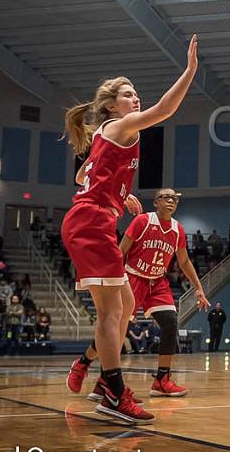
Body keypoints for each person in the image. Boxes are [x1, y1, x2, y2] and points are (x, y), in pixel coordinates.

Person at [61, 37, 198, 425]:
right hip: (90, 223)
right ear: (110, 105)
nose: (135, 99)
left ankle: (102, 376)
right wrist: (189, 71)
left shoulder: (108, 132)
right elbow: (166, 108)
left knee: (121, 309)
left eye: (136, 94)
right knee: (113, 312)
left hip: (95, 218)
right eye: (127, 94)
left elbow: (82, 174)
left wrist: (121, 196)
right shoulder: (121, 126)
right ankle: (113, 390)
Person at [117, 188, 208, 397]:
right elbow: (121, 250)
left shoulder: (178, 230)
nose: (171, 201)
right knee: (117, 327)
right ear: (156, 202)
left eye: (174, 198)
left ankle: (162, 380)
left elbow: (184, 261)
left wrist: (198, 289)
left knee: (170, 322)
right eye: (166, 197)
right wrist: (116, 278)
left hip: (157, 281)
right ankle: (95, 371)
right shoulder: (142, 221)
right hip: (133, 277)